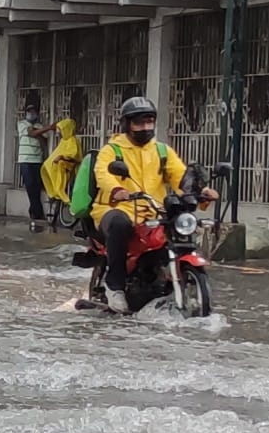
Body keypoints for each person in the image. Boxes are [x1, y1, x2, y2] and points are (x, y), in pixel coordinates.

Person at [91, 95, 217, 313]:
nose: (145, 127)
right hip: (115, 209)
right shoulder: (112, 150)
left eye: (149, 122)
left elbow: (179, 176)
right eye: (139, 123)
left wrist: (200, 191)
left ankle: (167, 277)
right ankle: (115, 287)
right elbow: (103, 173)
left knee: (177, 226)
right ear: (127, 124)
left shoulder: (161, 151)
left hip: (152, 211)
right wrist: (117, 190)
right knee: (119, 225)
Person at [17, 101, 57, 231]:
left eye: (33, 112)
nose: (31, 114)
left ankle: (34, 211)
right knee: (30, 185)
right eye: (29, 112)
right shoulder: (22, 123)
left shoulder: (39, 125)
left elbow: (42, 141)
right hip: (25, 160)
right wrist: (49, 128)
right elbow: (31, 133)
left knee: (36, 186)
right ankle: (37, 213)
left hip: (37, 160)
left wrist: (40, 131)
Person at [40, 117, 81, 221]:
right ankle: (53, 191)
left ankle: (60, 192)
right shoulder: (63, 141)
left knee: (59, 165)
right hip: (59, 164)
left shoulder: (72, 140)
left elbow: (74, 155)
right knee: (46, 166)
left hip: (67, 165)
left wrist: (62, 157)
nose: (60, 133)